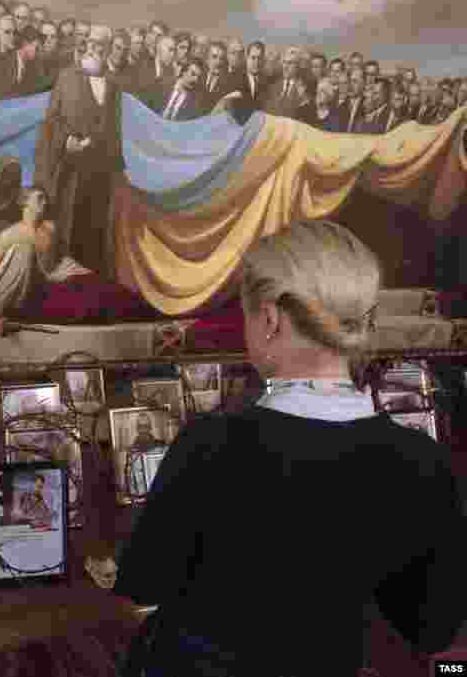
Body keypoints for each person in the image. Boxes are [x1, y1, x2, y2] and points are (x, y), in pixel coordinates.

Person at [113, 220, 467, 677]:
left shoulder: (211, 444)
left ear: (270, 320)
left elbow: (144, 583)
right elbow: (431, 629)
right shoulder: (421, 461)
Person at [35, 25, 124, 278]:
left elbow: (115, 129)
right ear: (86, 44)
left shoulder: (115, 86)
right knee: (67, 233)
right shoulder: (66, 77)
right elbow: (51, 121)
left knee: (95, 236)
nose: (96, 47)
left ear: (108, 49)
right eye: (92, 42)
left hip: (100, 176)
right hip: (70, 173)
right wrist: (65, 142)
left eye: (102, 44)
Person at [0, 187, 62, 336]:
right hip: (6, 303)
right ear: (24, 202)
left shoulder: (50, 231)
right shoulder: (10, 235)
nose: (45, 202)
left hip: (37, 301)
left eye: (46, 198)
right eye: (40, 198)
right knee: (24, 250)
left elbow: (56, 266)